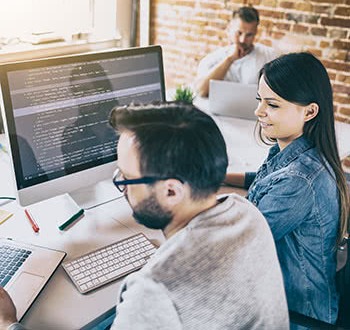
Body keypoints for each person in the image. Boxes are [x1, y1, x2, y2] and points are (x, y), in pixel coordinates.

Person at [0, 102, 289, 330]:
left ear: (172, 191)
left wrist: (9, 323)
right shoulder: (248, 213)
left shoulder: (153, 291)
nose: (120, 188)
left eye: (125, 179)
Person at [225, 52, 350, 329]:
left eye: (272, 105)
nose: (259, 112)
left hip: (298, 315)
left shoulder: (300, 181)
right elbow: (263, 178)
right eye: (260, 101)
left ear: (309, 111)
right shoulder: (298, 152)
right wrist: (217, 176)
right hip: (282, 297)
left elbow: (237, 243)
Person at [194, 6, 277, 97]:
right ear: (229, 29)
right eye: (239, 33)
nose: (243, 40)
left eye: (249, 35)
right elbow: (201, 91)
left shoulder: (269, 55)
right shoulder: (212, 58)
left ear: (256, 32)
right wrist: (230, 59)